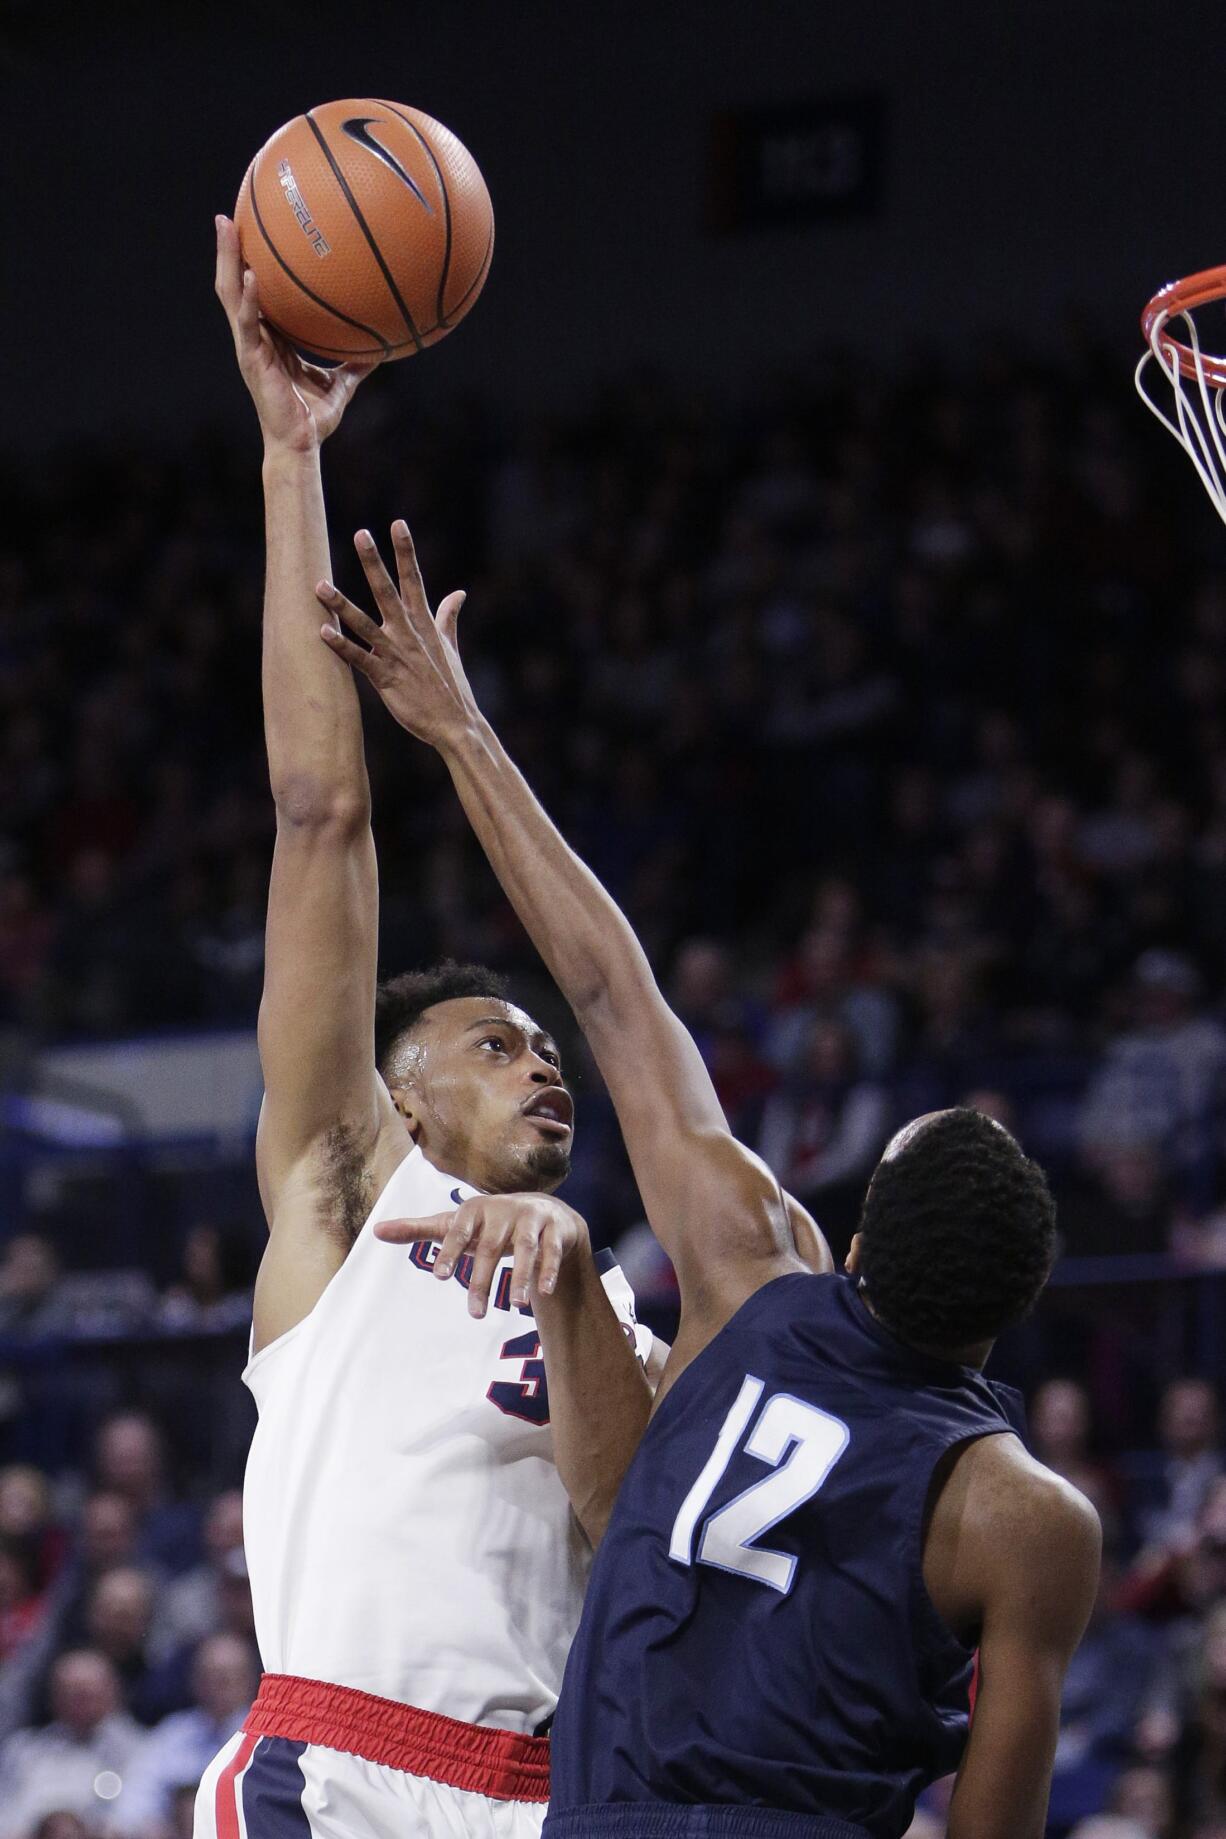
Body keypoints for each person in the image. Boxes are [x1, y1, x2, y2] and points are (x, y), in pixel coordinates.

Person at [318, 523, 1103, 1839]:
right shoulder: (1022, 1515)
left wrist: (459, 731)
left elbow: (608, 987)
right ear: (1000, 1313)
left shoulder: (753, 1268)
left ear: (847, 1245)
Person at [197, 220, 657, 1838]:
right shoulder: (346, 1194)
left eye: (545, 1045)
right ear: (392, 1091)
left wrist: (574, 1273)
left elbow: (621, 1514)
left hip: (551, 1800)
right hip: (339, 1774)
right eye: (490, 1037)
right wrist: (289, 454)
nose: (542, 1058)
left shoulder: (619, 1312)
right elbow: (319, 813)